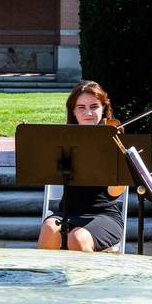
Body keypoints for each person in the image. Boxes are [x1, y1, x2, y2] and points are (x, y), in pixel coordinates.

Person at [37, 81, 126, 252]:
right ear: (74, 112)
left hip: (104, 216)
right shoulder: (63, 141)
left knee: (78, 237)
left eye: (94, 106)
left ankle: (85, 280)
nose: (88, 113)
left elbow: (113, 194)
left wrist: (120, 164)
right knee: (49, 229)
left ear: (103, 109)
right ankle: (48, 279)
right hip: (68, 212)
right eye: (81, 108)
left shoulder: (113, 140)